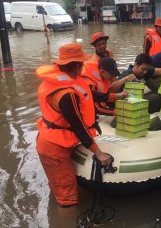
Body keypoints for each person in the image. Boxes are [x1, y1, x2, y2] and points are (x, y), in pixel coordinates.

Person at [36, 43, 111, 208]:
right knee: (67, 199)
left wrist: (112, 96)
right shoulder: (66, 96)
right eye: (82, 63)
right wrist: (98, 153)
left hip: (50, 138)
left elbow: (88, 94)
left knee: (60, 185)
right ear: (77, 65)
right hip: (54, 147)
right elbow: (79, 127)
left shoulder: (64, 82)